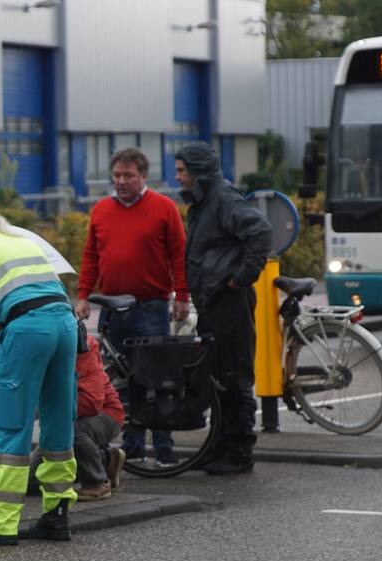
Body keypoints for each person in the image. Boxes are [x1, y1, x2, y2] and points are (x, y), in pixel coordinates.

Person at [0, 206, 78, 546]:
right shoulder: (24, 240)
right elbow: (28, 299)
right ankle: (57, 515)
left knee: (13, 425)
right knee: (58, 422)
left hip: (28, 332)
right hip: (65, 324)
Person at [75, 147, 189, 467]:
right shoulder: (100, 211)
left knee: (157, 379)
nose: (121, 181)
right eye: (117, 176)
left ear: (143, 177)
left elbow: (178, 255)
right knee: (116, 382)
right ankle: (132, 448)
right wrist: (83, 295)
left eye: (128, 176)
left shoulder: (164, 208)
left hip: (151, 306)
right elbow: (90, 256)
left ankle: (164, 449)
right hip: (111, 308)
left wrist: (182, 295)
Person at [174, 141, 272, 475]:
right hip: (214, 300)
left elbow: (261, 231)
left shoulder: (224, 198)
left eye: (182, 170)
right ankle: (219, 446)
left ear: (198, 171)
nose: (178, 177)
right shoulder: (204, 201)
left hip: (229, 301)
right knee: (216, 376)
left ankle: (240, 451)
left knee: (233, 375)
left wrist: (241, 277)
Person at [68, 335, 126, 500]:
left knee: (70, 430)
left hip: (107, 414)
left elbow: (92, 403)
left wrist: (52, 409)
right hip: (78, 416)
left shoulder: (82, 348)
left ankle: (96, 483)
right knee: (31, 481)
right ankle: (107, 460)